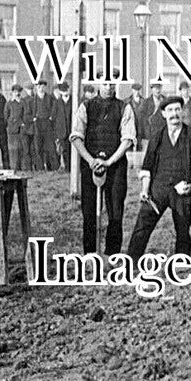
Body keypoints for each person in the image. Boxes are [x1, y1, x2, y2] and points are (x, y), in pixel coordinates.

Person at [126, 96, 191, 259]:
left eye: (177, 109)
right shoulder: (157, 137)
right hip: (158, 188)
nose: (174, 114)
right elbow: (147, 167)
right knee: (143, 224)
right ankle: (131, 260)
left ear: (182, 111)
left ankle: (182, 260)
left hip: (182, 189)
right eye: (170, 110)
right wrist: (144, 190)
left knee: (183, 227)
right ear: (163, 114)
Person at [70, 75, 136, 255]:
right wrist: (91, 161)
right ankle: (90, 255)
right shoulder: (86, 106)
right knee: (89, 213)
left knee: (116, 213)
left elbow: (128, 140)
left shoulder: (124, 107)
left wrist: (109, 161)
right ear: (99, 83)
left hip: (115, 166)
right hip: (90, 166)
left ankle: (110, 255)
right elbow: (76, 137)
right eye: (105, 83)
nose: (108, 87)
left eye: (112, 83)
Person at [5, 84, 33, 171]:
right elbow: (6, 116)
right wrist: (12, 123)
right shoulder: (9, 103)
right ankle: (14, 168)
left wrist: (22, 123)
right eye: (15, 92)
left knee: (23, 149)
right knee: (13, 150)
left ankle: (23, 168)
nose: (17, 94)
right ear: (12, 92)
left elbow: (26, 114)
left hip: (22, 130)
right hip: (12, 130)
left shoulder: (23, 102)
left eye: (18, 92)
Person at [31, 81, 58, 171]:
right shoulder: (33, 99)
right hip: (37, 124)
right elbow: (30, 110)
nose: (41, 88)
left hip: (47, 124)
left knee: (50, 146)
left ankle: (52, 167)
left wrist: (51, 117)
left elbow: (54, 109)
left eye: (43, 87)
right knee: (38, 146)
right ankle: (39, 167)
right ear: (36, 88)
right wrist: (34, 117)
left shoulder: (49, 97)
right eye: (39, 87)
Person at [54, 82, 72, 171]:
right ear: (60, 92)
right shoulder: (57, 102)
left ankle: (73, 168)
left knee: (72, 150)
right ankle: (67, 168)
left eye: (66, 90)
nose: (65, 92)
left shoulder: (74, 101)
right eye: (63, 91)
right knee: (64, 150)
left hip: (71, 130)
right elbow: (54, 117)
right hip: (62, 131)